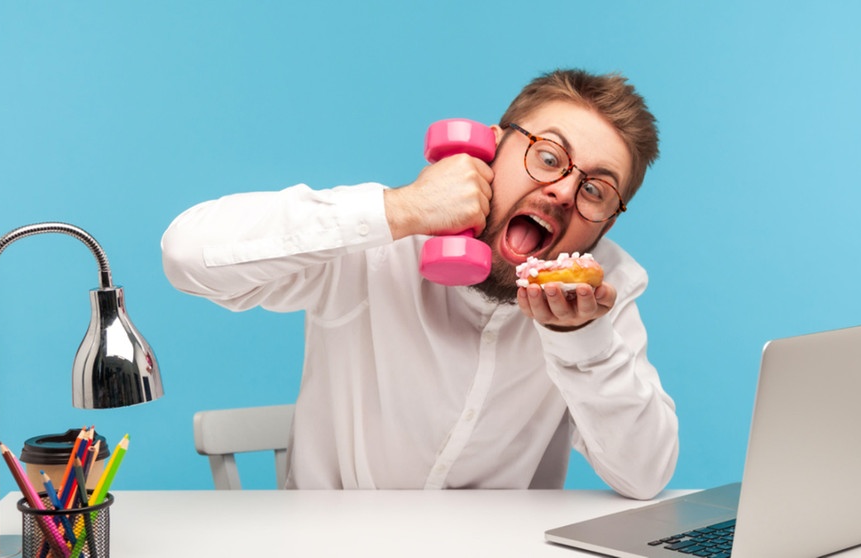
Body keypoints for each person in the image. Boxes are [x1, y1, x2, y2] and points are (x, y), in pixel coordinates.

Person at [161, 68, 678, 500]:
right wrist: (399, 208)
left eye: (595, 189)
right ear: (488, 149)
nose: (564, 191)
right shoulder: (376, 243)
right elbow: (185, 254)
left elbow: (644, 475)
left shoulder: (600, 297)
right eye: (547, 157)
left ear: (605, 225)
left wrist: (581, 342)